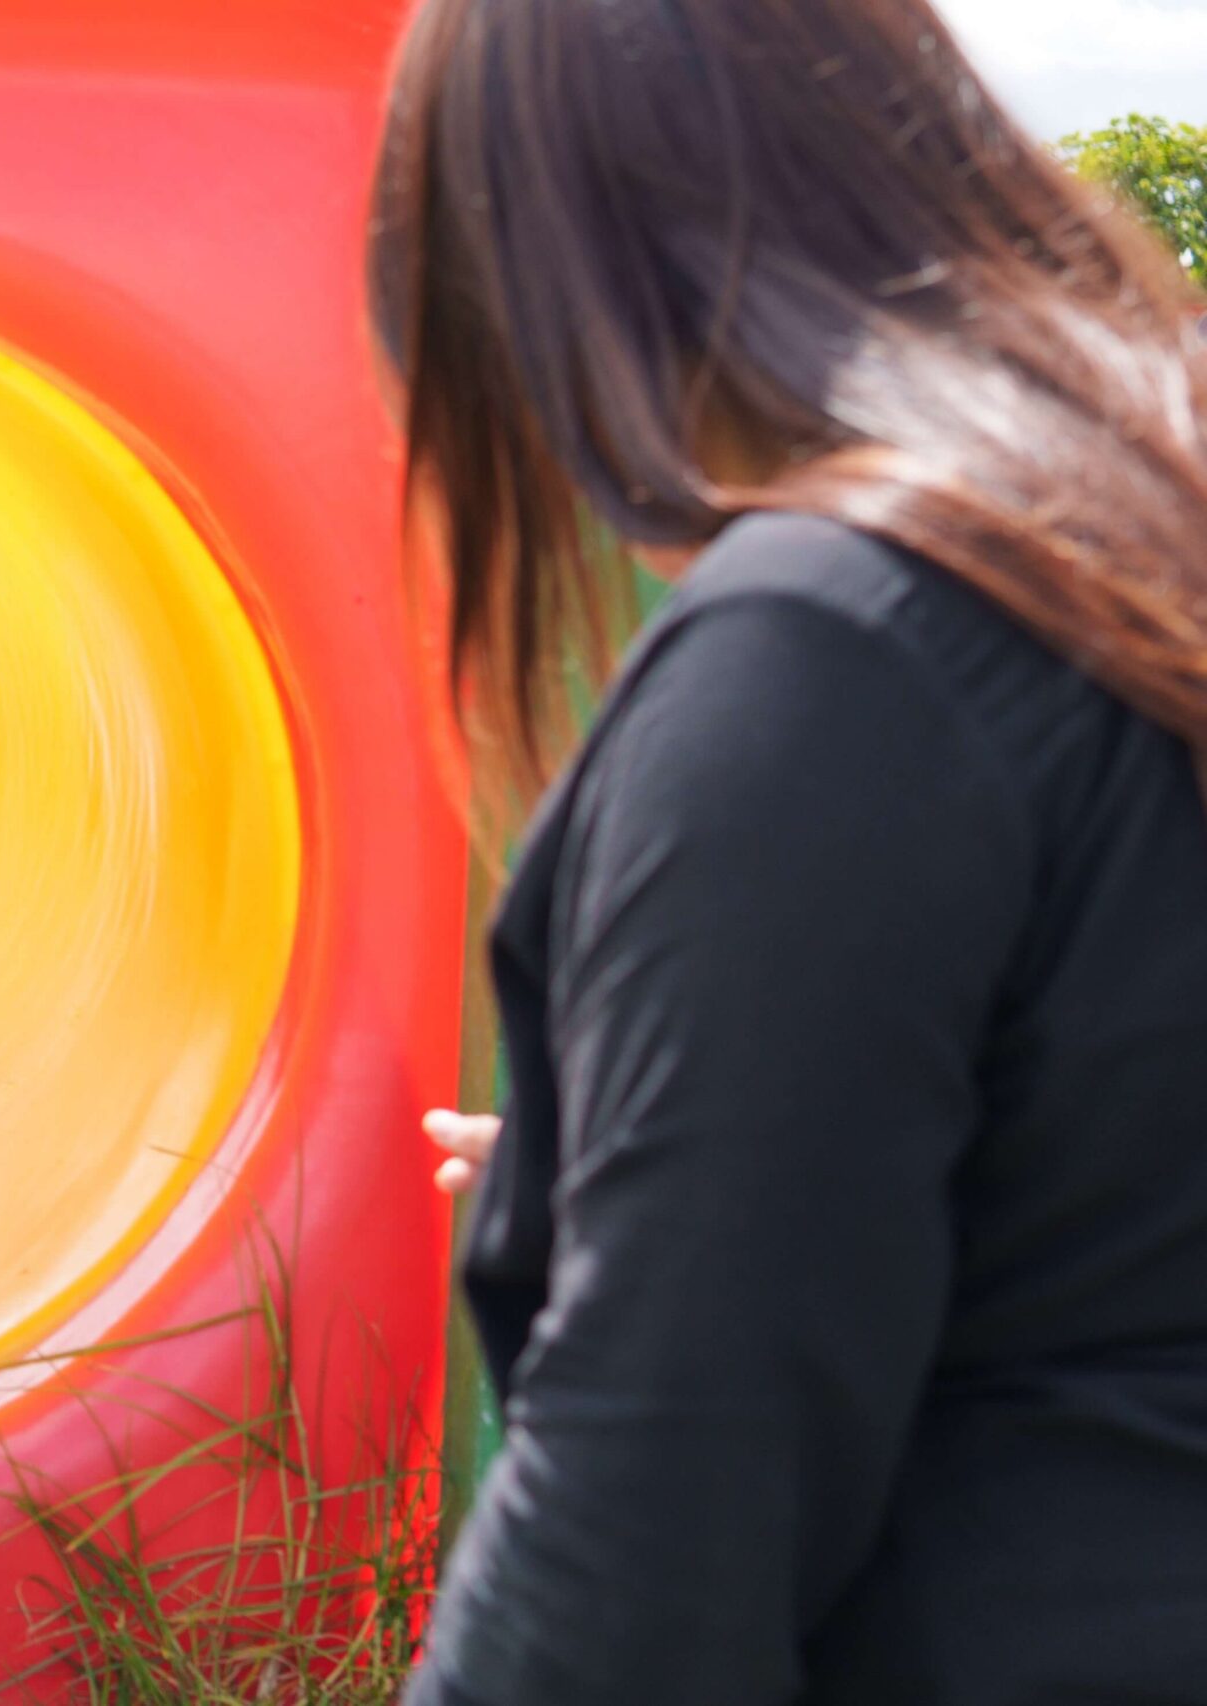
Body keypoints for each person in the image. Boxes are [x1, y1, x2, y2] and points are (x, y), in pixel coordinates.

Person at [368, 2, 1207, 1702]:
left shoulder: (843, 644)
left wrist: (644, 1219)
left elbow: (634, 1556)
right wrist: (681, 1133)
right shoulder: (1121, 544)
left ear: (534, 268)